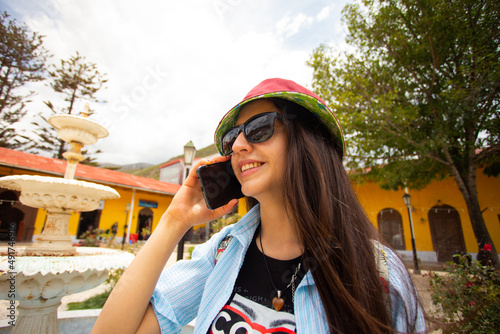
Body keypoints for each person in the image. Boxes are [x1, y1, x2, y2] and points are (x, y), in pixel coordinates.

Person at [92, 78, 426, 334]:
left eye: (259, 128)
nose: (238, 145)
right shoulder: (222, 254)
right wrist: (172, 223)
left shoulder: (379, 276)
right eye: (232, 138)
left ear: (309, 143)